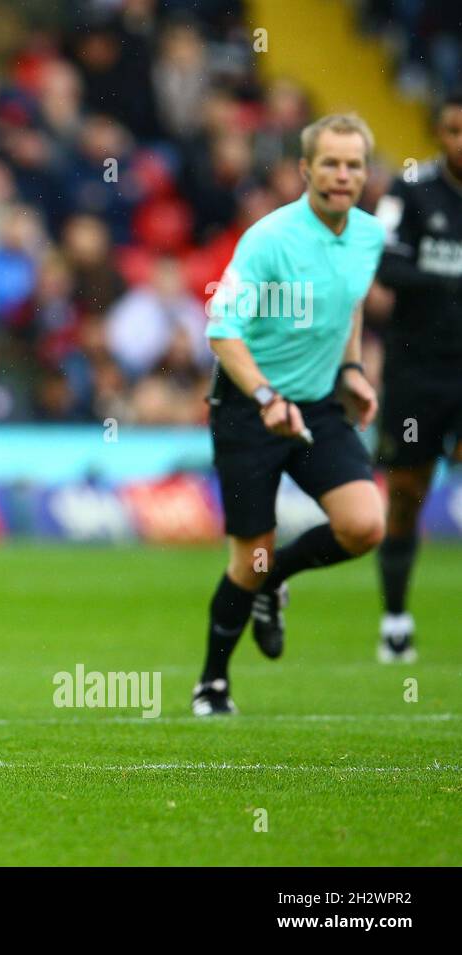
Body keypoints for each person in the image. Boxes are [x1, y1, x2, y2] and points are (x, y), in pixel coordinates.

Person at [193, 113, 386, 716]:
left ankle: (276, 581)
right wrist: (266, 398)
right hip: (249, 410)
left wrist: (351, 370)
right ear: (306, 170)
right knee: (247, 558)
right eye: (330, 163)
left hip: (320, 404)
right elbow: (221, 330)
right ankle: (212, 683)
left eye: (353, 165)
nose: (342, 175)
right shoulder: (270, 239)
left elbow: (347, 305)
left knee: (364, 526)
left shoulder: (369, 236)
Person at [371, 91, 462, 663]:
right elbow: (384, 264)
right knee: (405, 494)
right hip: (416, 370)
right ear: (438, 134)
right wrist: (447, 280)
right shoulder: (408, 191)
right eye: (454, 130)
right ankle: (396, 619)